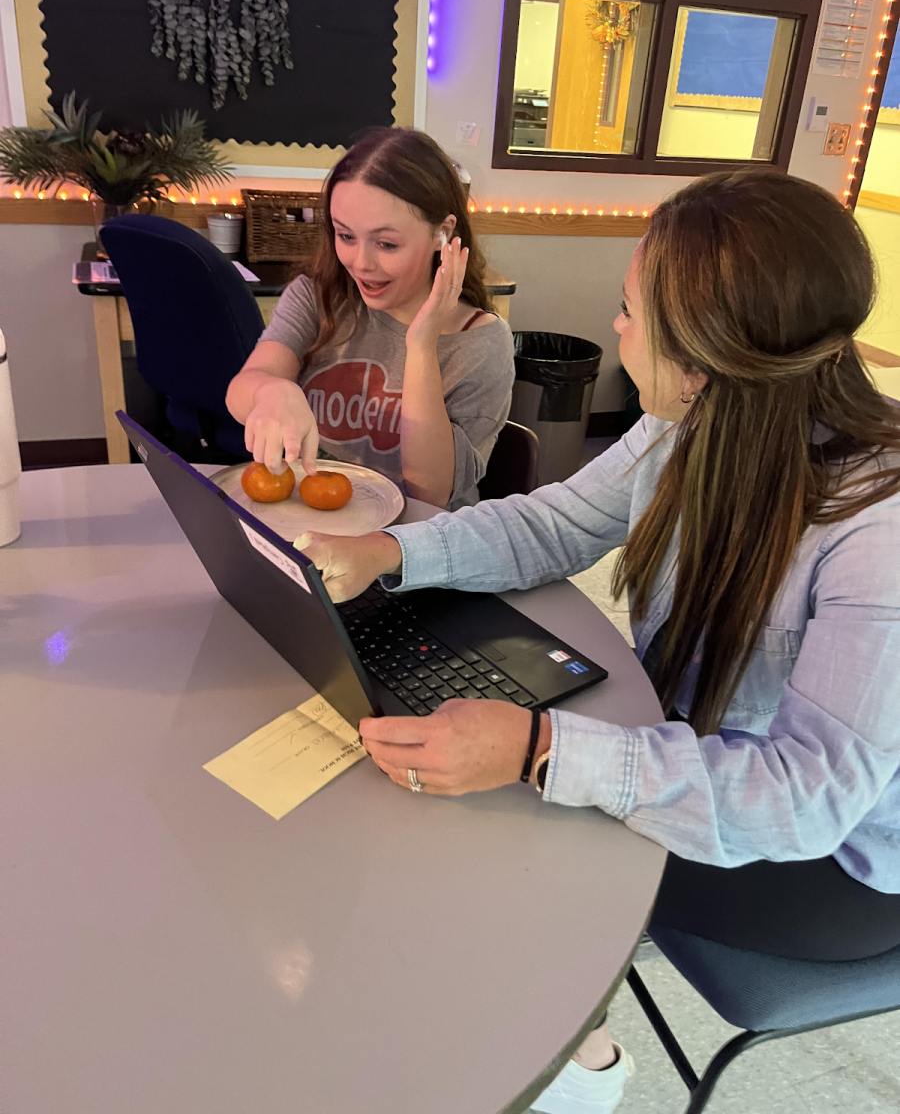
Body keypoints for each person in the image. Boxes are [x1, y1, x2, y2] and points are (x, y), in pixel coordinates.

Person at [295, 168, 900, 1113]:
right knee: (462, 820)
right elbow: (550, 526)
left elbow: (804, 800)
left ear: (704, 355)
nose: (616, 330)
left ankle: (580, 1073)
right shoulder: (688, 423)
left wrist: (541, 750)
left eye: (628, 312)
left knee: (496, 848)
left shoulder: (878, 528)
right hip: (696, 756)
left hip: (836, 868)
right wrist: (387, 553)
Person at [226, 128, 514, 510]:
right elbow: (240, 391)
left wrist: (422, 344)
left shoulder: (480, 343)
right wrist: (270, 392)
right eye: (345, 236)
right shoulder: (317, 297)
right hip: (312, 529)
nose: (361, 263)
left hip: (413, 545)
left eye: (386, 244)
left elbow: (430, 494)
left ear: (442, 234)